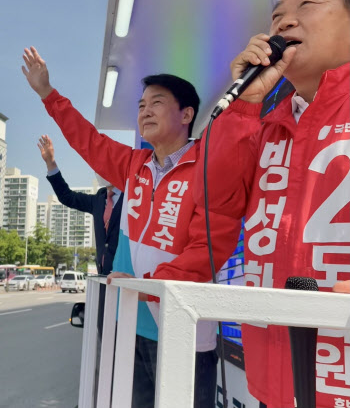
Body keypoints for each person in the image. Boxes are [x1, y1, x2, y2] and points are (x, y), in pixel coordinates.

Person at [22, 57, 240, 407]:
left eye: (157, 103)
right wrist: (47, 93)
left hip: (181, 329)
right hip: (131, 324)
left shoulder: (207, 166)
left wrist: (148, 287)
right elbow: (87, 140)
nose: (145, 112)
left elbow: (208, 250)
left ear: (186, 115)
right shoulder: (133, 166)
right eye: (141, 106)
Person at [195, 0, 350, 408]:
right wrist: (246, 103)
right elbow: (213, 205)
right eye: (278, 12)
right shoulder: (265, 124)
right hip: (272, 381)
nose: (285, 19)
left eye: (308, 3)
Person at [38, 134, 123, 407]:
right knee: (104, 351)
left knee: (127, 355)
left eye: (104, 162)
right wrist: (51, 163)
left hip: (131, 288)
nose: (99, 170)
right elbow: (66, 196)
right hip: (103, 289)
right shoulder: (100, 199)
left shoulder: (137, 196)